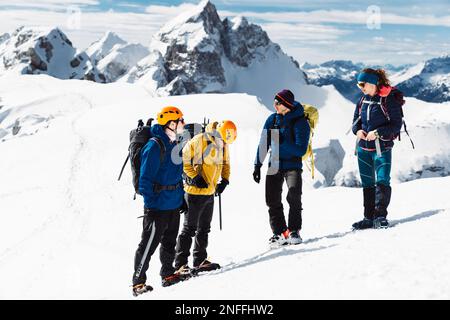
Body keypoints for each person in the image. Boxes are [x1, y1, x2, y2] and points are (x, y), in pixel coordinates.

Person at [132, 106, 188, 296]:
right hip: (157, 206)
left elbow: (176, 175)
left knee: (169, 243)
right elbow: (144, 180)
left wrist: (181, 199)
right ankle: (138, 282)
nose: (183, 123)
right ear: (171, 124)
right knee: (148, 244)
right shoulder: (154, 145)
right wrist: (151, 204)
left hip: (173, 203)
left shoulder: (174, 144)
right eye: (181, 120)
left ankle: (168, 273)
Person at [174, 120, 237, 274]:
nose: (223, 144)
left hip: (209, 193)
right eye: (222, 140)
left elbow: (226, 163)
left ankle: (200, 260)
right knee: (189, 229)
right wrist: (195, 177)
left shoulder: (224, 144)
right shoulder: (200, 140)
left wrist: (225, 181)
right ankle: (180, 264)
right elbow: (184, 161)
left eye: (226, 142)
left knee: (204, 229)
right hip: (194, 192)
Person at [253, 89, 310, 248]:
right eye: (274, 102)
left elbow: (301, 150)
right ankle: (280, 233)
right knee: (272, 199)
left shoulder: (300, 122)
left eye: (278, 103)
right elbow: (263, 144)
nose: (274, 105)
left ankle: (294, 231)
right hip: (274, 164)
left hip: (293, 165)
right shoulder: (272, 120)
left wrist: (281, 140)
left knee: (294, 196)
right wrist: (257, 165)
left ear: (286, 104)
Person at [351, 68, 403, 230]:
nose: (361, 88)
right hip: (363, 149)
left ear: (373, 83)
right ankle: (368, 217)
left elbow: (396, 125)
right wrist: (358, 131)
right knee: (367, 183)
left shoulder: (389, 100)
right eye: (360, 85)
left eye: (363, 84)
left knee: (382, 181)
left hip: (382, 148)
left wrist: (378, 133)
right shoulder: (362, 100)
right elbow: (355, 122)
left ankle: (380, 216)